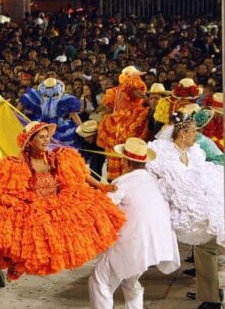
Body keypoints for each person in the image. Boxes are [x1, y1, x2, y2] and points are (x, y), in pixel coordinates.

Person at [0, 122, 126, 280]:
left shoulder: (56, 157)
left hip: (57, 204)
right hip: (34, 207)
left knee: (88, 211)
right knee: (24, 237)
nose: (46, 140)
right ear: (30, 141)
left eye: (47, 137)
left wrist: (100, 185)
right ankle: (17, 264)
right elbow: (0, 189)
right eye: (41, 137)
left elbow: (80, 172)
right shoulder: (17, 164)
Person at [88, 138, 180, 309]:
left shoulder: (122, 182)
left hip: (135, 243)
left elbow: (105, 206)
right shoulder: (153, 181)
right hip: (158, 243)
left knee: (100, 281)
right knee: (130, 281)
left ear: (126, 161)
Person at [147, 111, 225, 309]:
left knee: (207, 248)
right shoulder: (165, 153)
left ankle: (212, 297)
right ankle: (211, 296)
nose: (196, 135)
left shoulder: (196, 151)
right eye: (192, 132)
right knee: (206, 247)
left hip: (209, 204)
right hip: (194, 211)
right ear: (182, 133)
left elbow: (205, 174)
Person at [97, 66, 149, 180]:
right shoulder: (129, 84)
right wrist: (148, 100)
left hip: (116, 120)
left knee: (117, 149)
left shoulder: (117, 89)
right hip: (127, 120)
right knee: (126, 146)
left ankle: (116, 176)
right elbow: (136, 91)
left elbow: (109, 108)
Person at [19, 78, 82, 147]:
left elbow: (73, 114)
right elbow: (21, 104)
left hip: (58, 125)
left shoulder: (64, 98)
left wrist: (82, 128)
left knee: (57, 147)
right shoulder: (36, 95)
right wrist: (13, 115)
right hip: (41, 124)